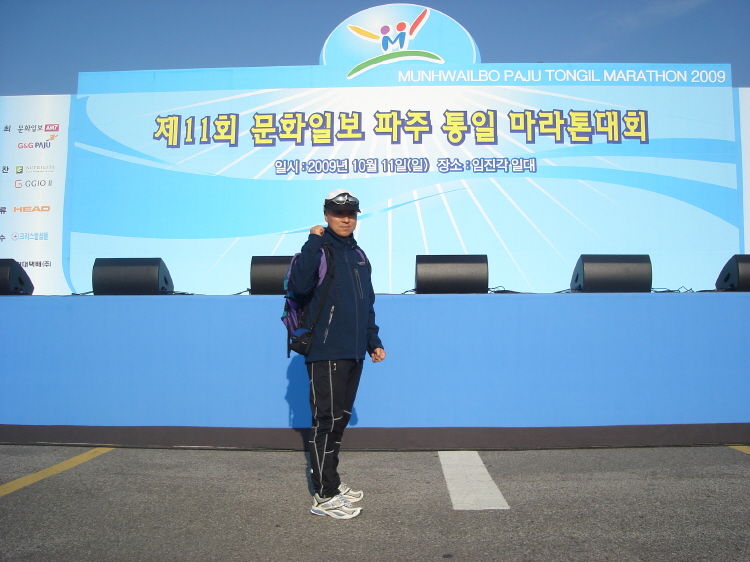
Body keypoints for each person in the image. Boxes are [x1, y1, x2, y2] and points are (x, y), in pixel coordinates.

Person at [287, 189, 386, 519]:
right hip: (325, 349)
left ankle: (331, 480)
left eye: (351, 214)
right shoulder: (318, 250)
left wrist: (373, 341)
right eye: (338, 213)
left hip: (354, 352)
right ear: (326, 215)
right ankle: (324, 496)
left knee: (339, 422)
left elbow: (366, 304)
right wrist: (313, 241)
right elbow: (299, 286)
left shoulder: (358, 255)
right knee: (326, 422)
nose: (346, 219)